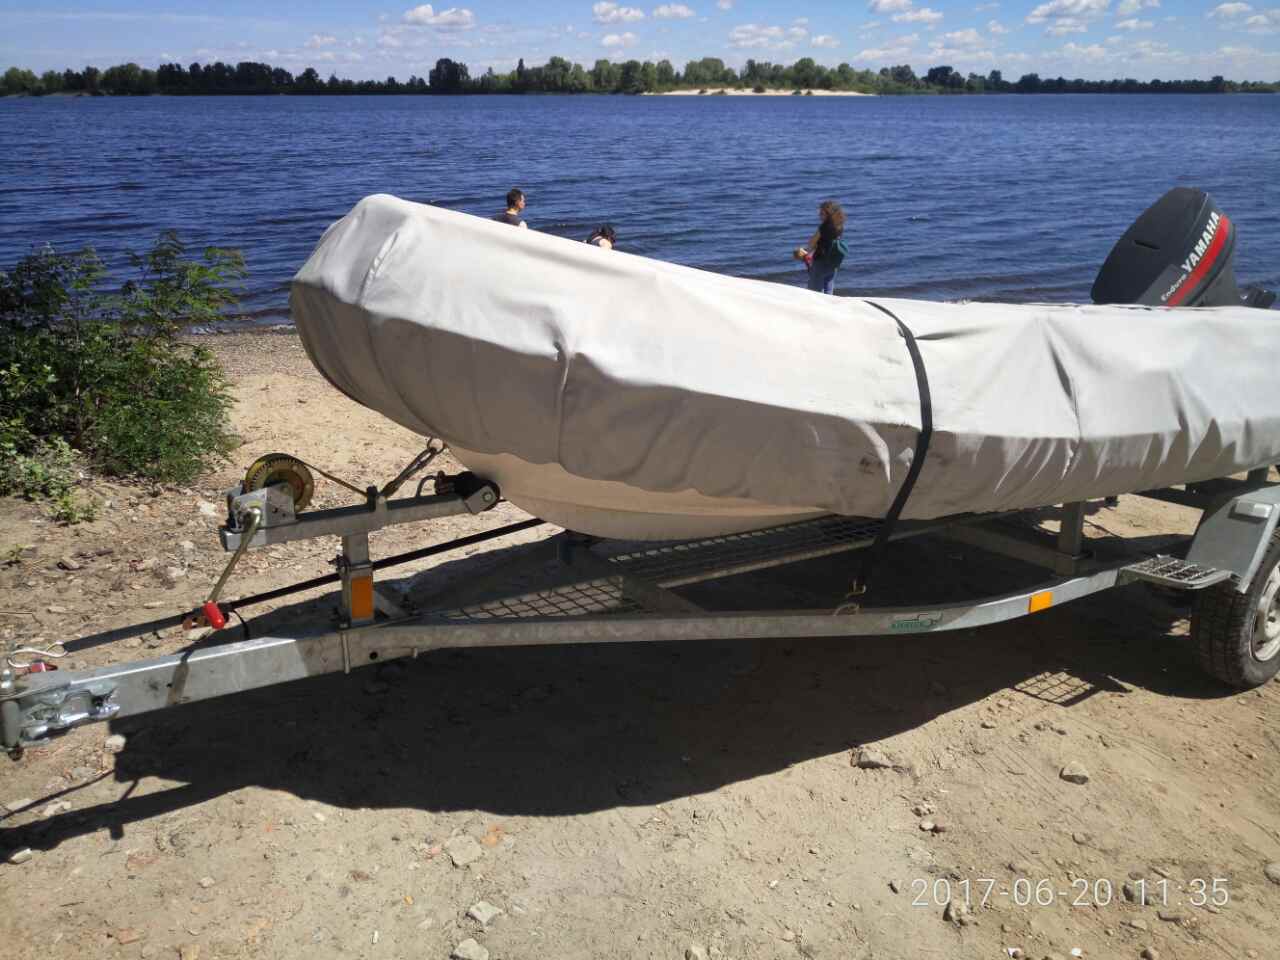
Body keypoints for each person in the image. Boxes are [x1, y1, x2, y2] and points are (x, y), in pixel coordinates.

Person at [794, 200, 846, 294]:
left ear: (829, 214)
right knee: (828, 290)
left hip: (820, 262)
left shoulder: (823, 227)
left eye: (822, 214)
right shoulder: (839, 226)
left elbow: (812, 244)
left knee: (814, 292)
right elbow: (828, 242)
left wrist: (803, 252)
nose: (819, 216)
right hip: (833, 262)